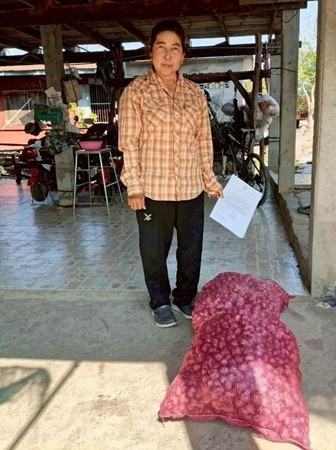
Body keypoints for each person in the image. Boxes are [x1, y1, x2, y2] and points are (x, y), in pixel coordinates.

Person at [118, 19, 224, 328]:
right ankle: (160, 301)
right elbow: (129, 143)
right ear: (150, 52)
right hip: (153, 189)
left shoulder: (194, 94)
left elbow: (203, 141)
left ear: (183, 55)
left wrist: (210, 181)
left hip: (190, 188)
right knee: (154, 251)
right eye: (161, 48)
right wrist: (134, 186)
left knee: (191, 250)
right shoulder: (136, 93)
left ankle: (185, 297)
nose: (167, 56)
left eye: (175, 49)